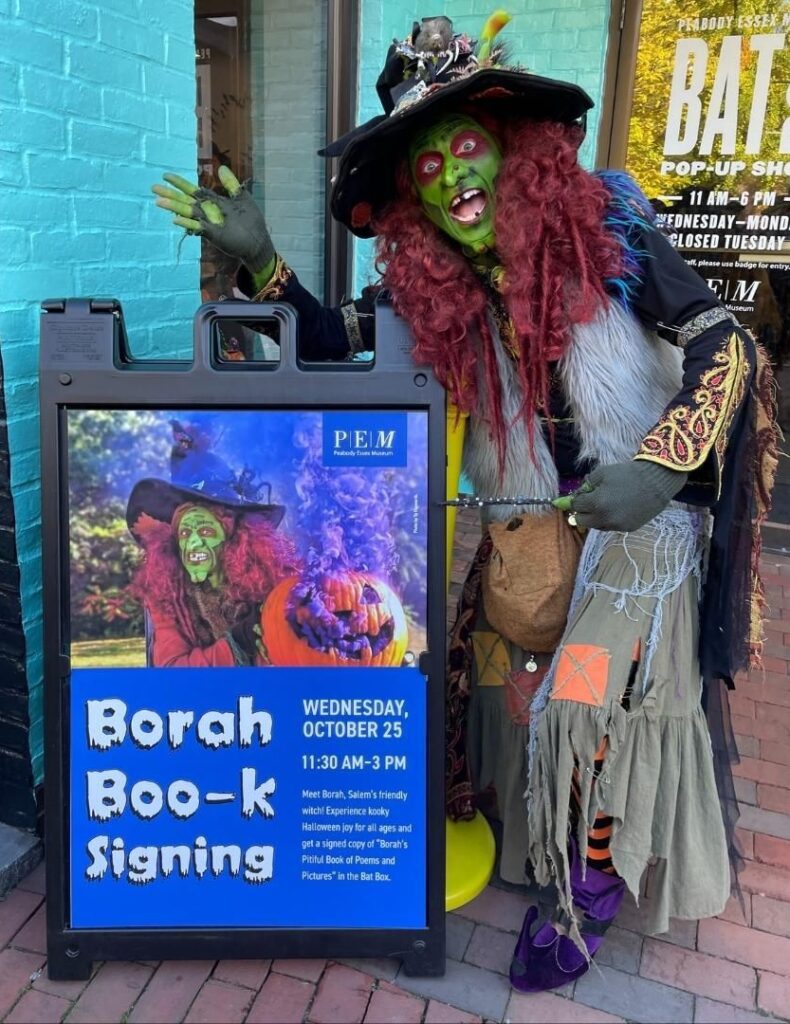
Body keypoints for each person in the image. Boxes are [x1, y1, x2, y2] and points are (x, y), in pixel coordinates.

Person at [152, 13, 779, 992]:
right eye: (427, 166)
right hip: (532, 522)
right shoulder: (431, 289)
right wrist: (263, 262)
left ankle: (590, 881)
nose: (450, 174)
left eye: (463, 146)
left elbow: (723, 342)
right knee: (502, 687)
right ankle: (548, 830)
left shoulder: (606, 224)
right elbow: (340, 355)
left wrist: (661, 465)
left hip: (642, 521)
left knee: (582, 703)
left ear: (509, 147)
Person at [126, 424, 297, 668]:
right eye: (185, 532)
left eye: (205, 530)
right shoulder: (165, 594)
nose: (193, 542)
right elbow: (172, 672)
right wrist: (239, 642)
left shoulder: (272, 582)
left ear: (235, 538)